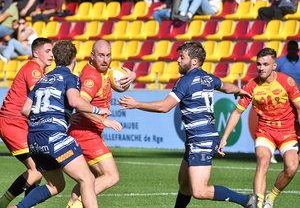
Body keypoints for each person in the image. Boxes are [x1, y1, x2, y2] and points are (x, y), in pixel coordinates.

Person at [118, 41, 257, 208]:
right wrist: (239, 90)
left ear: (194, 61)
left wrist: (137, 104)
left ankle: (247, 201)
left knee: (199, 191)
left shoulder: (185, 81)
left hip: (201, 139)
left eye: (182, 57)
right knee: (184, 185)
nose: (178, 60)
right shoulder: (208, 77)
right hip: (196, 139)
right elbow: (226, 87)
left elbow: (164, 107)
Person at [8, 40, 119, 208]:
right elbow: (75, 101)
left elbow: (25, 109)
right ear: (73, 59)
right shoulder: (70, 77)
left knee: (56, 185)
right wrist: (98, 111)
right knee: (87, 179)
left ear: (56, 58)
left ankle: (18, 207)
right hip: (53, 136)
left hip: (34, 139)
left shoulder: (42, 80)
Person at [218, 47, 300, 208]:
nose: (261, 68)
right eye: (258, 64)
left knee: (291, 168)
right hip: (265, 131)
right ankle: (258, 204)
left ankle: (271, 197)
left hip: (288, 131)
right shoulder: (251, 86)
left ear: (274, 66)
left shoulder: (287, 82)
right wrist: (224, 138)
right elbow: (236, 113)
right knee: (263, 161)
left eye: (265, 64)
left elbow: (299, 108)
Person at [65, 39, 136, 208]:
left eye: (108, 55)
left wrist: (132, 75)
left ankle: (72, 204)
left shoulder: (104, 70)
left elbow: (117, 73)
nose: (105, 60)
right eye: (101, 55)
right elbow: (82, 105)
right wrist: (105, 120)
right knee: (111, 176)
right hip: (85, 133)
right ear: (92, 56)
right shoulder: (91, 77)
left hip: (87, 132)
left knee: (88, 179)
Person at [0, 38, 54, 208]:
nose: (52, 55)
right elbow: (39, 98)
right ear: (36, 53)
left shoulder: (39, 71)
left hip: (22, 123)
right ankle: (3, 203)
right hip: (13, 122)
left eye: (52, 51)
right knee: (37, 170)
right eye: (47, 51)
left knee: (39, 169)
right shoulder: (33, 70)